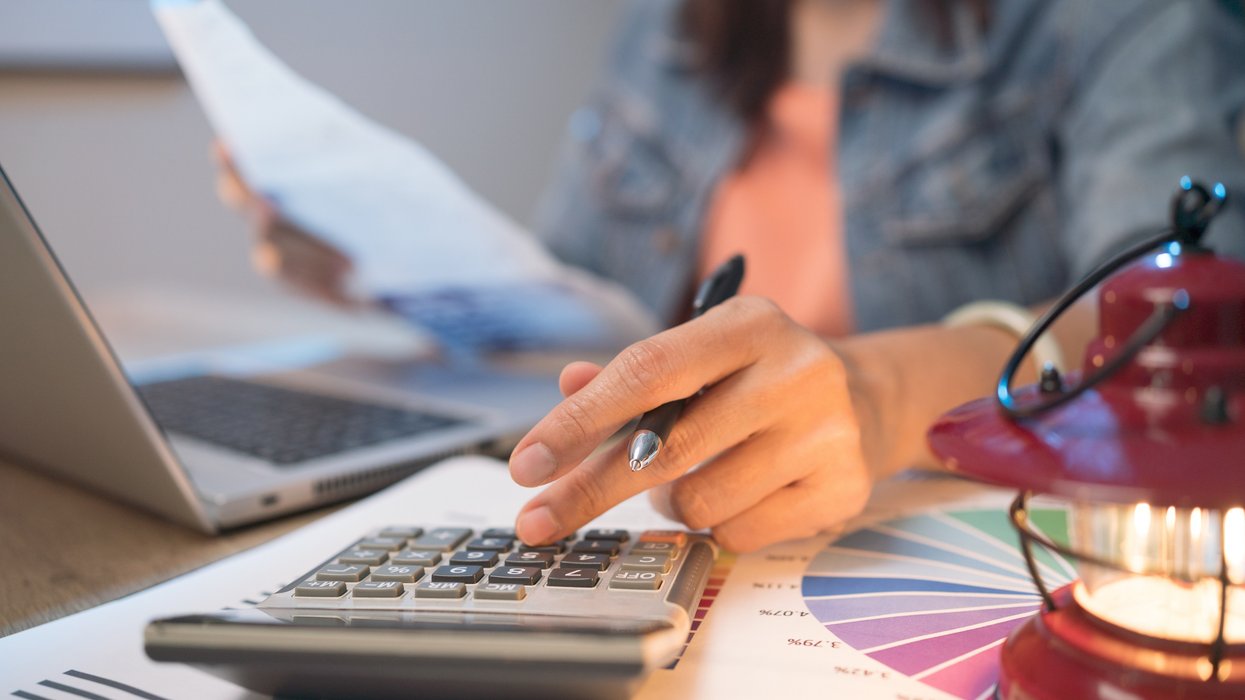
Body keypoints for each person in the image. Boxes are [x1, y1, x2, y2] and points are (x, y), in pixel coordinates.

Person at [215, 0, 1245, 552]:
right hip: (669, 536)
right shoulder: (668, 29)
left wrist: (879, 394)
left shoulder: (1121, 20)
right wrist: (380, 267)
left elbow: (1177, 319)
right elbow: (573, 304)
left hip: (932, 561)